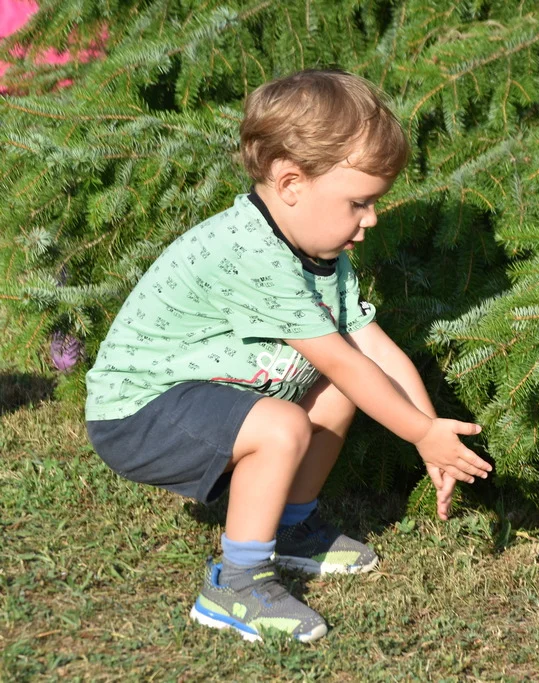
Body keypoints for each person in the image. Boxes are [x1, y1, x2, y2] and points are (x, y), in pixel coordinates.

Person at [84, 69, 492, 643]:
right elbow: (345, 360)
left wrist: (430, 433)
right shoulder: (254, 251)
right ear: (291, 182)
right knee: (283, 424)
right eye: (359, 202)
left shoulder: (320, 251)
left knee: (335, 394)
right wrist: (420, 433)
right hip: (137, 414)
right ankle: (235, 586)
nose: (371, 219)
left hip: (198, 400)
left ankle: (289, 529)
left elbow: (372, 348)